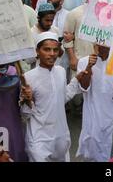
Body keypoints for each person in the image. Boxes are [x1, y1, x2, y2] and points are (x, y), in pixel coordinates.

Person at [20, 32, 82, 162]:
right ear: (37, 51)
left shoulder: (60, 71)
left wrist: (76, 81)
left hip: (61, 137)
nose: (52, 54)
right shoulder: (28, 78)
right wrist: (27, 100)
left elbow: (63, 97)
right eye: (47, 49)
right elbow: (25, 114)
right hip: (39, 138)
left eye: (55, 50)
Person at [75, 44, 113, 162]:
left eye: (105, 44)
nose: (101, 46)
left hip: (112, 116)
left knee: (111, 151)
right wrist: (89, 67)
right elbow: (83, 87)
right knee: (92, 149)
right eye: (98, 44)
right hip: (92, 116)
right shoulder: (84, 62)